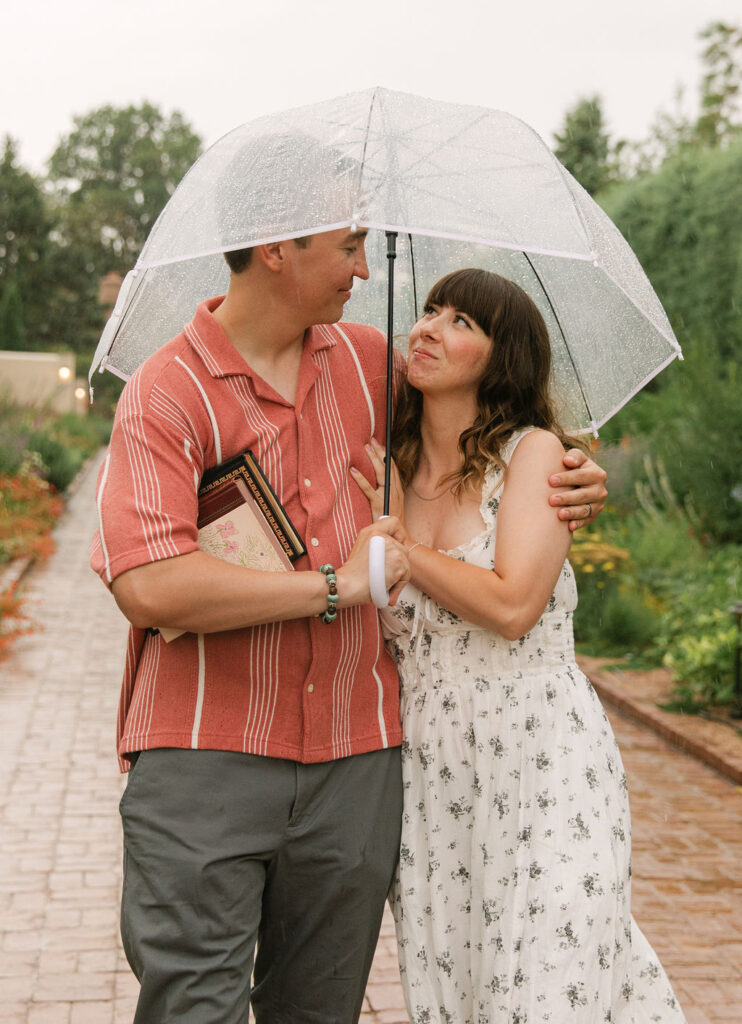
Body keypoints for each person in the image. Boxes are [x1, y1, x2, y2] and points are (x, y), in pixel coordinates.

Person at [91, 234, 608, 1023]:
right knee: (194, 1006)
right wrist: (336, 587)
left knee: (320, 1012)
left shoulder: (373, 365)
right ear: (275, 247)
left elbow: (488, 426)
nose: (366, 269)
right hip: (206, 756)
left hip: (356, 767)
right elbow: (150, 585)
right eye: (349, 246)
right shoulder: (166, 391)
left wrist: (573, 475)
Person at [353, 268, 685, 1024]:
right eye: (430, 310)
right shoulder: (385, 470)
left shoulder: (535, 456)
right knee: (460, 991)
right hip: (432, 771)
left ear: (504, 358)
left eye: (463, 321)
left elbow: (512, 604)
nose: (430, 327)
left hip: (541, 754)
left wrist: (404, 550)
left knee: (550, 983)